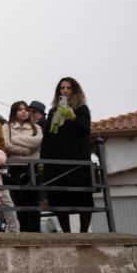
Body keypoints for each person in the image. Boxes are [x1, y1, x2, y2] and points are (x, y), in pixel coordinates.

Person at [40, 77, 93, 233]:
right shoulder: (53, 112)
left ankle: (84, 234)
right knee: (59, 199)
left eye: (69, 88)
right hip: (56, 164)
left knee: (83, 199)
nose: (65, 91)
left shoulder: (82, 109)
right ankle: (67, 234)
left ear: (74, 91)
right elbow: (47, 138)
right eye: (62, 88)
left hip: (77, 163)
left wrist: (73, 117)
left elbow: (85, 130)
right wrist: (43, 161)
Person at [3, 100, 42, 233]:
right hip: (15, 166)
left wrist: (17, 139)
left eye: (26, 109)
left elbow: (37, 142)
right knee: (19, 200)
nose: (24, 112)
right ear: (14, 112)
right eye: (20, 110)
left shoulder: (36, 127)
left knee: (33, 199)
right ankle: (24, 230)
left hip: (32, 166)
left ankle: (36, 230)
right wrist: (25, 150)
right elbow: (7, 144)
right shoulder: (6, 127)